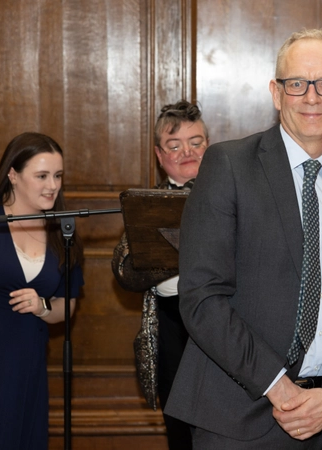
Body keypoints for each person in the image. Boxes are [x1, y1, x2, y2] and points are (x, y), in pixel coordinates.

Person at [164, 29, 322, 449]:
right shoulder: (228, 165)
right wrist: (281, 390)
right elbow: (202, 297)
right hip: (237, 417)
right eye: (296, 84)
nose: (312, 97)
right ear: (276, 93)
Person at [0, 132, 84, 448]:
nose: (53, 185)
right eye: (42, 176)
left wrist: (42, 308)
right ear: (13, 175)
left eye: (58, 175)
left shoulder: (63, 231)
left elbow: (68, 304)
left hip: (27, 364)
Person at [112, 100, 208, 449]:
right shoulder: (147, 203)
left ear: (208, 146)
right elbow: (124, 270)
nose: (187, 151)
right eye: (174, 145)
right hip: (172, 328)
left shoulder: (234, 195)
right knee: (180, 427)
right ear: (159, 154)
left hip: (226, 322)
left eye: (196, 142)